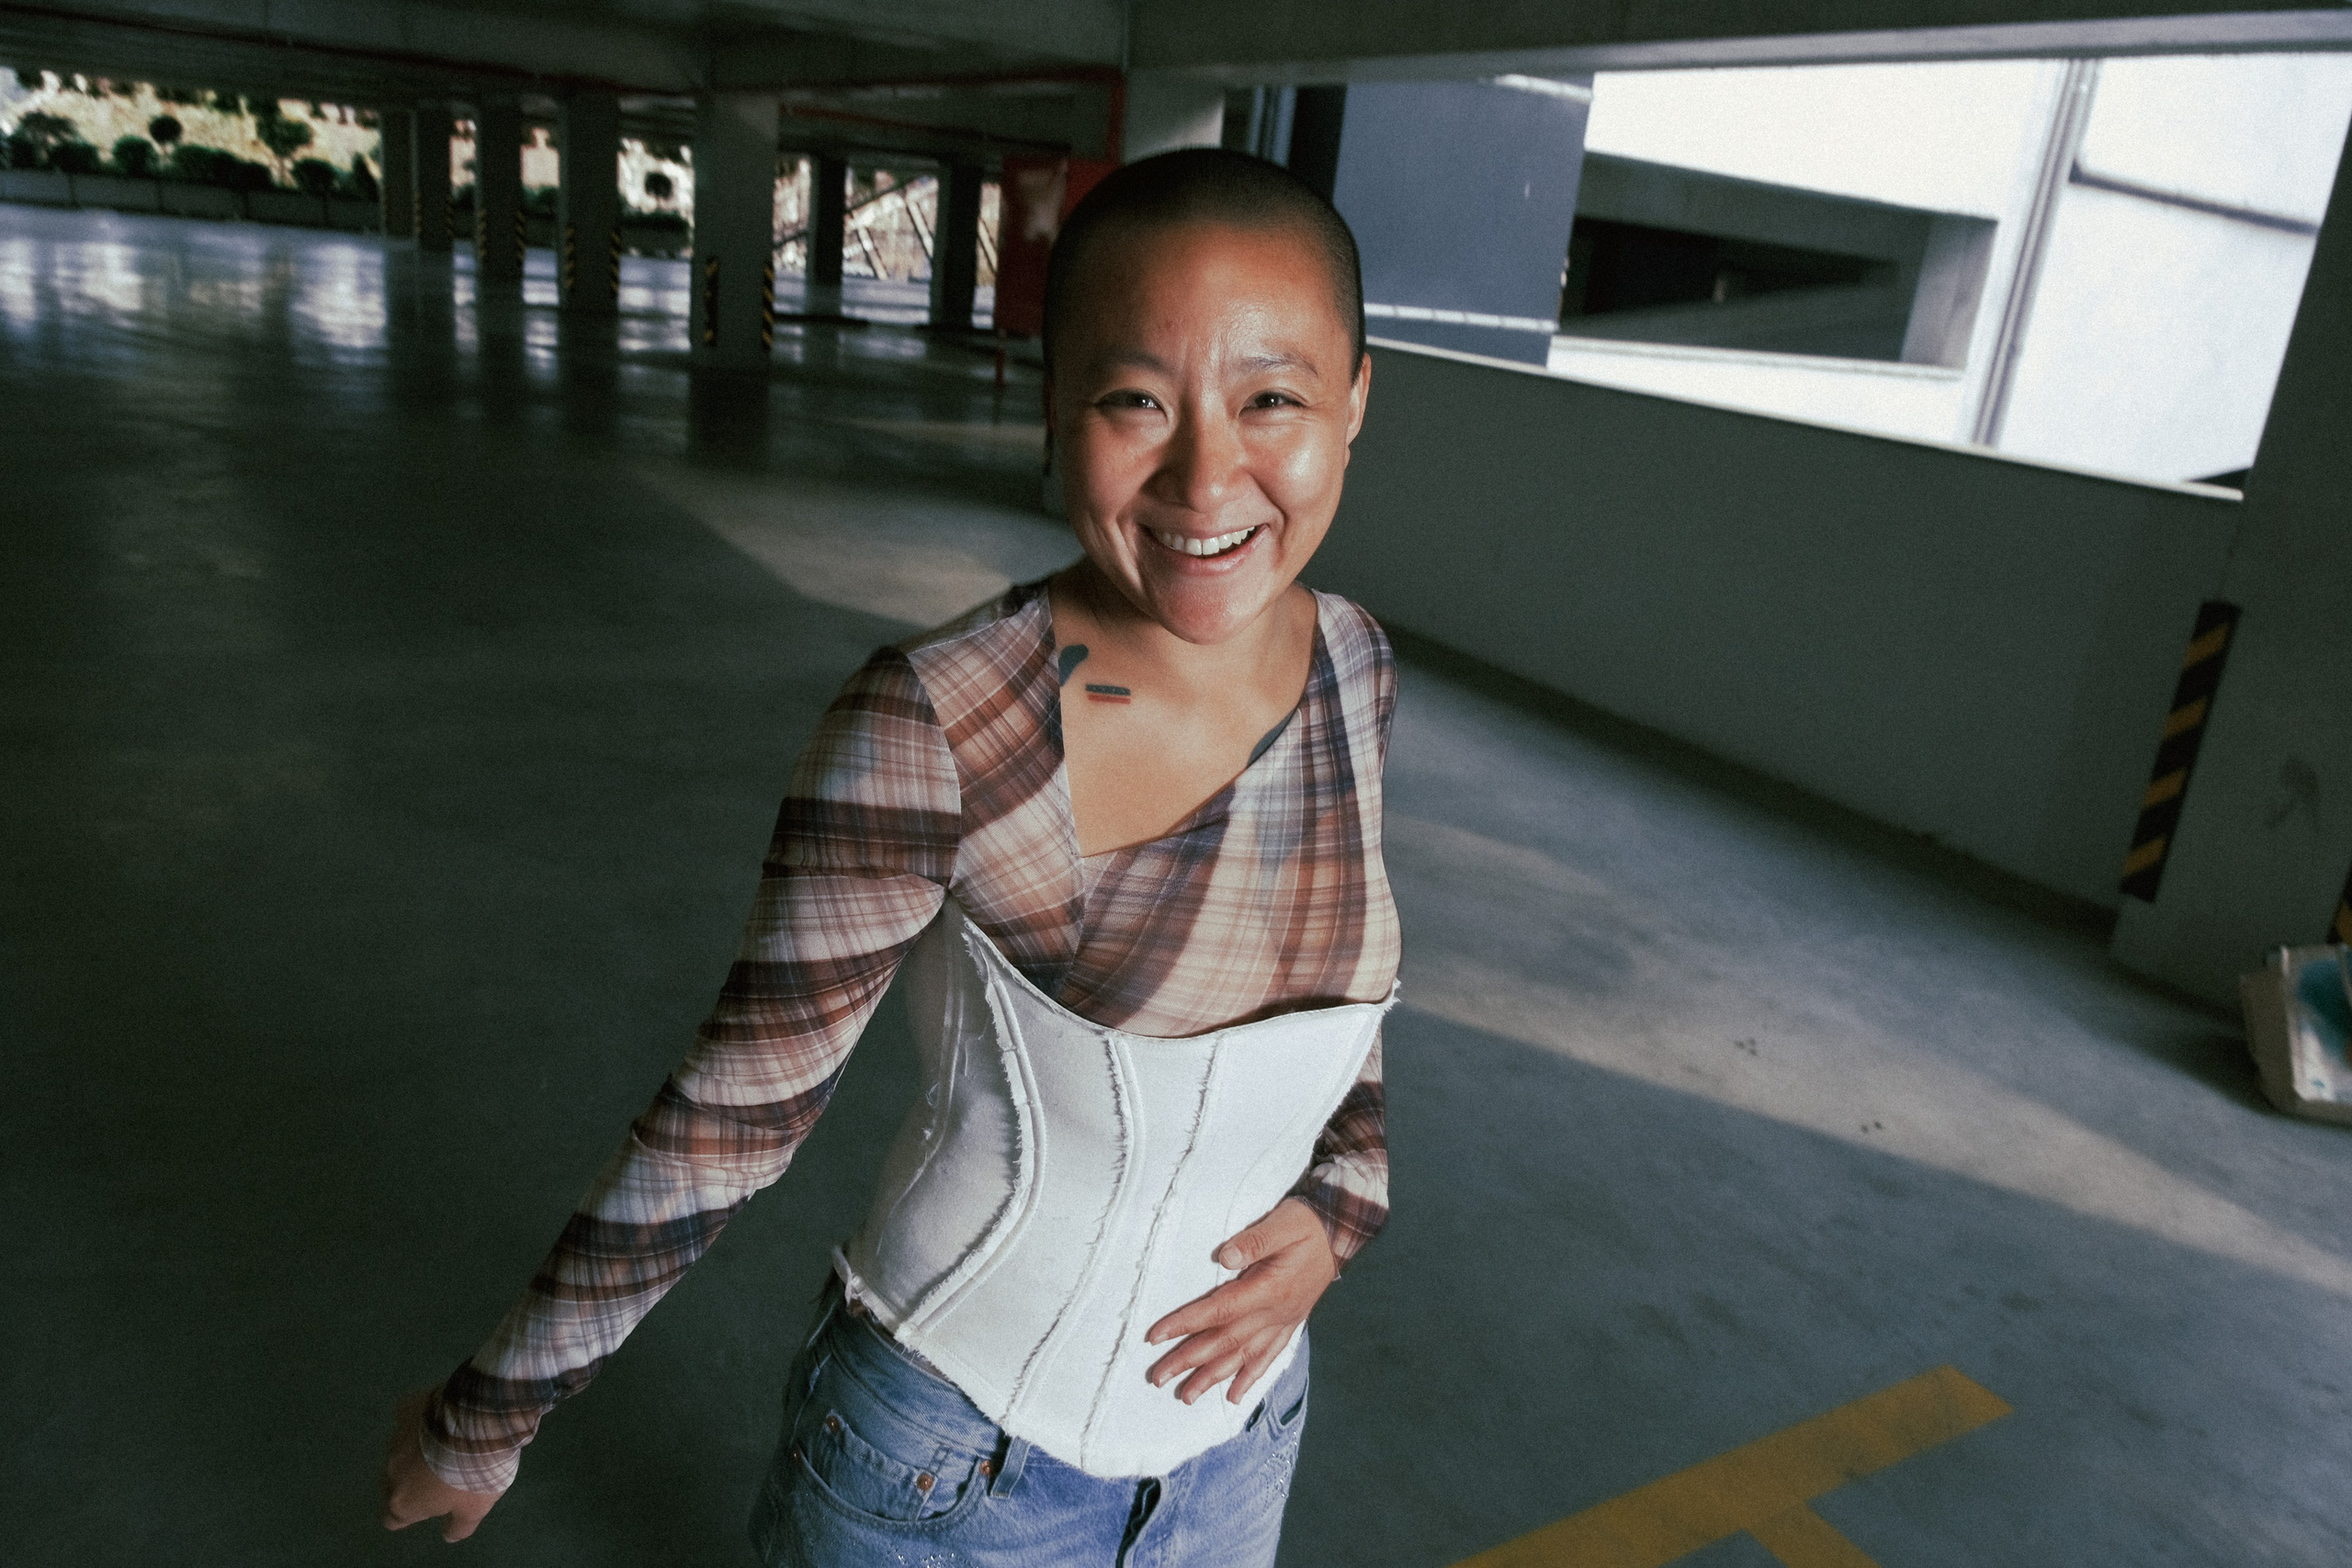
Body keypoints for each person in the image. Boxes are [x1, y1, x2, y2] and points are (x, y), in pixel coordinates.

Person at [379, 147, 1399, 1566]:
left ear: (1355, 399)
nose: (1205, 473)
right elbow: (731, 1116)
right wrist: (493, 1414)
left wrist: (1342, 1200)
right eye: (1134, 401)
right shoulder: (941, 723)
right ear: (1054, 408)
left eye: (1272, 398)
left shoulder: (1350, 661)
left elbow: (1341, 990)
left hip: (1238, 1455)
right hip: (946, 1480)